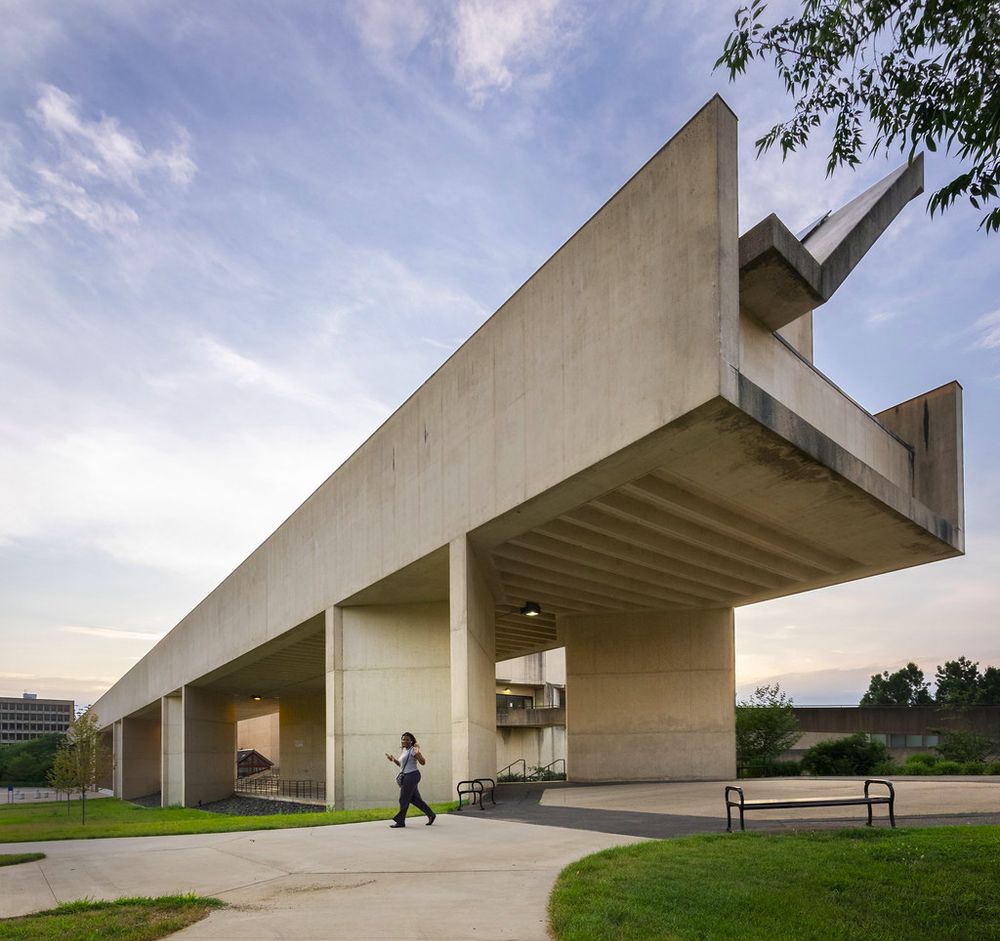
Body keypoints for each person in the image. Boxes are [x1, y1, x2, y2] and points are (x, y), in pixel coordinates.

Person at [385, 731, 436, 828]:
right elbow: (401, 765)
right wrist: (393, 760)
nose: (404, 741)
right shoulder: (405, 751)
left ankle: (400, 821)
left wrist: (418, 751)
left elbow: (423, 762)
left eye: (407, 739)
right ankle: (431, 814)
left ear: (411, 741)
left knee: (403, 798)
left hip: (412, 775)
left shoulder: (413, 750)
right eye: (403, 739)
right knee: (414, 799)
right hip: (407, 776)